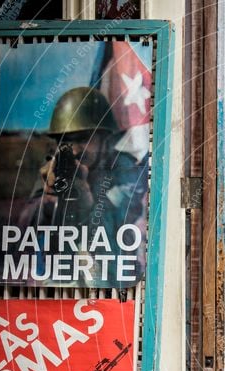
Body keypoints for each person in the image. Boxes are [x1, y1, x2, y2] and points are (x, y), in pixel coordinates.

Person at [17, 87, 149, 287]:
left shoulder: (126, 174)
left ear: (105, 139)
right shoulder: (59, 168)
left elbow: (120, 241)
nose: (75, 150)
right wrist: (48, 200)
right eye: (65, 141)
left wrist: (85, 197)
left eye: (83, 139)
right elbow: (23, 232)